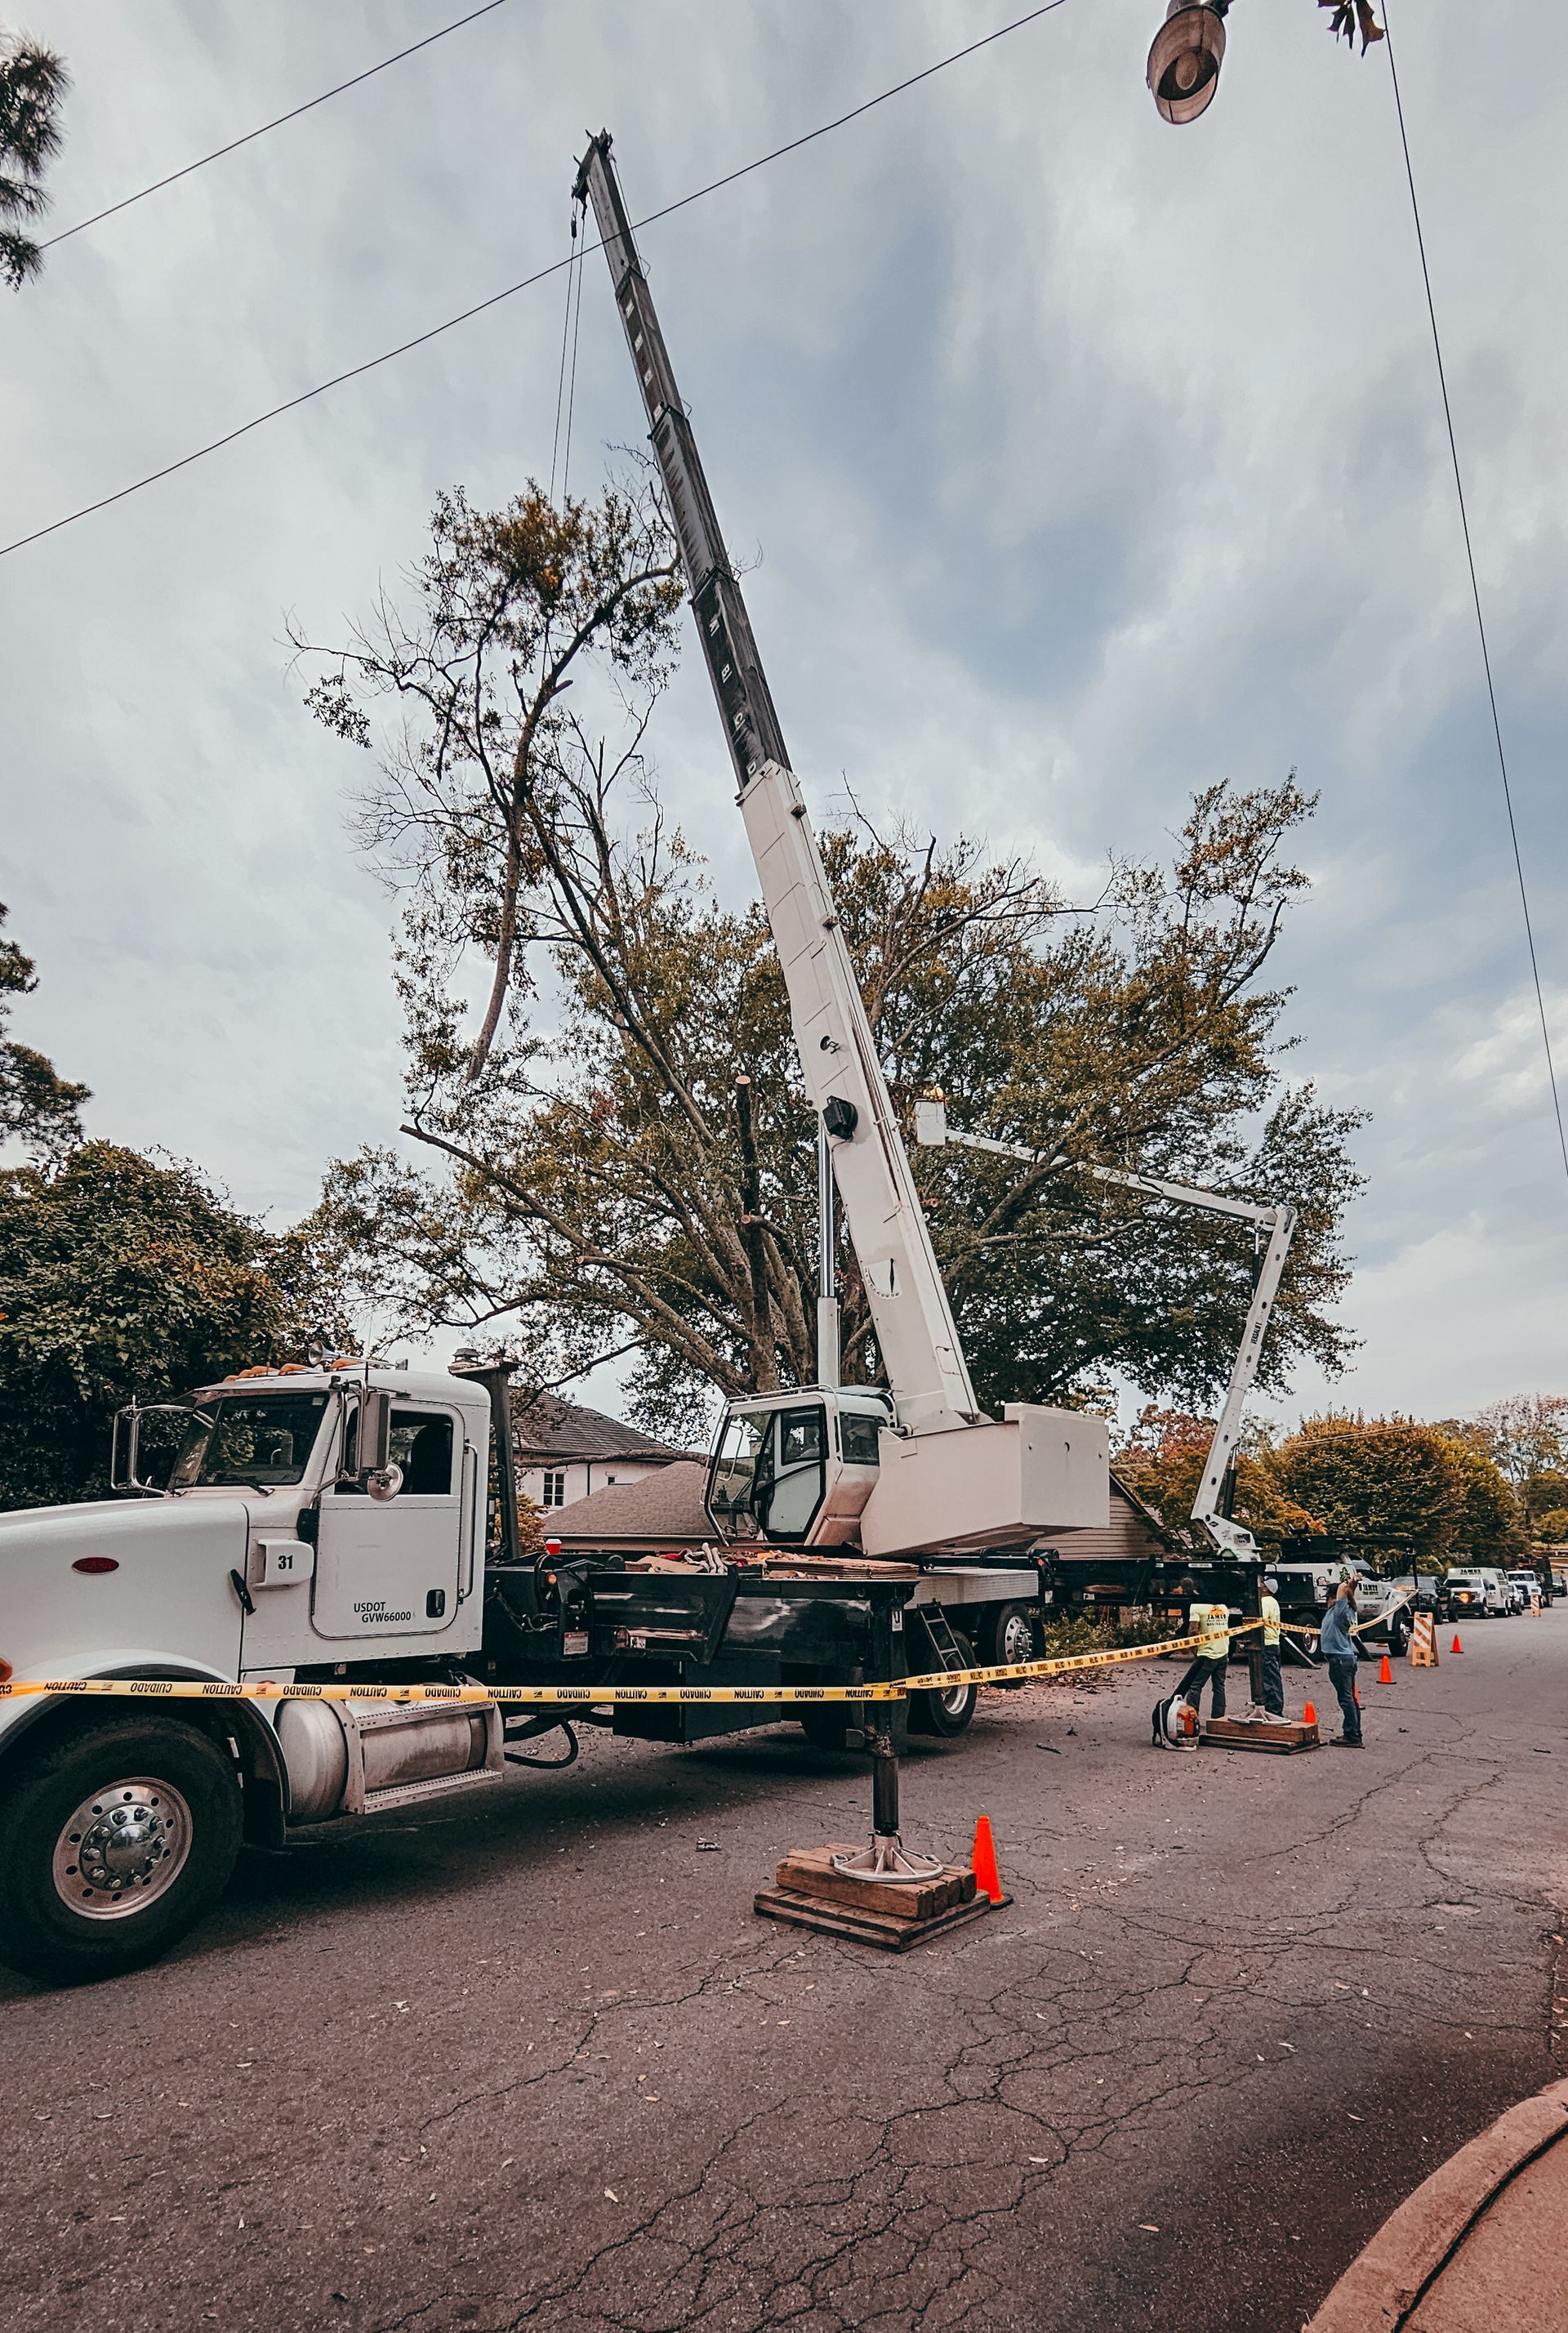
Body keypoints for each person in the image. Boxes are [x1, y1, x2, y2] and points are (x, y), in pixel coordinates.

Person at [1175, 1577, 1231, 1720]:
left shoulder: (1196, 1608)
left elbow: (1193, 1631)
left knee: (1195, 1687)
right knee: (1219, 1687)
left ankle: (1192, 1720)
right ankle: (1218, 1720)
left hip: (1207, 1653)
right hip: (1223, 1651)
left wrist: (1194, 1651)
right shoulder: (1223, 1608)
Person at [1320, 1577, 1362, 1747]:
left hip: (1340, 1660)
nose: (1326, 1601)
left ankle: (1352, 1735)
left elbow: (1343, 1591)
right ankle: (1354, 1733)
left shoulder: (1340, 1611)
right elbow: (1348, 1592)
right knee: (1350, 1698)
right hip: (1343, 1658)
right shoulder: (1345, 1610)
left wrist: (1349, 1582)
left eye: (1327, 1597)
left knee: (1346, 1699)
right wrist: (1353, 1585)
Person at [1258, 1574, 1285, 1716]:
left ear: (1267, 1588)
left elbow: (1259, 1621)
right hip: (1274, 1643)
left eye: (1263, 1584)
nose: (1260, 1586)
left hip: (1267, 1644)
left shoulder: (1265, 1602)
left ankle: (1274, 1709)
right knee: (1274, 1677)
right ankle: (1274, 1707)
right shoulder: (1273, 1602)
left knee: (1269, 1679)